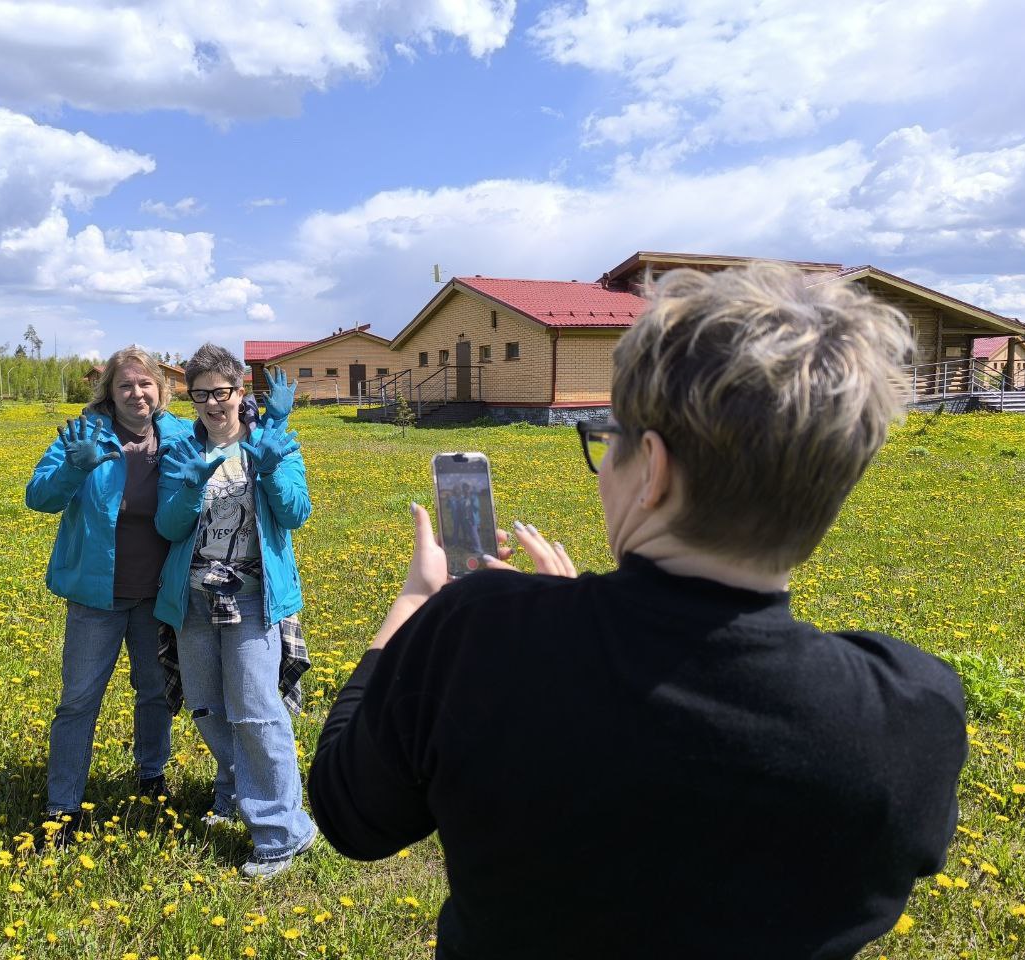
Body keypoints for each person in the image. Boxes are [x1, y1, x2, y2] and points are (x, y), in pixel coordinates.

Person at [308, 263, 968, 959]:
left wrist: (418, 604)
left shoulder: (476, 631)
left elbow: (351, 816)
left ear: (652, 468)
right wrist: (560, 613)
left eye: (608, 438)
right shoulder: (912, 713)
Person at [154, 346, 317, 878]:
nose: (211, 403)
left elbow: (295, 513)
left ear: (239, 391)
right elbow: (169, 527)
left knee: (254, 710)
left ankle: (282, 832)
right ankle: (234, 791)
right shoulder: (182, 449)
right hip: (194, 598)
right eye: (200, 394)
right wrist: (189, 486)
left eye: (220, 392)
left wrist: (269, 471)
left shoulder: (271, 442)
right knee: (207, 707)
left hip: (251, 597)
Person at [25, 346, 185, 844]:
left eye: (145, 384)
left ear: (160, 388)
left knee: (154, 691)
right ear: (109, 392)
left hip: (157, 595)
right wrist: (74, 469)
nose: (136, 393)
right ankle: (63, 806)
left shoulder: (180, 435)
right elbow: (39, 497)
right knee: (78, 700)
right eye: (125, 385)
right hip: (97, 597)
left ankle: (151, 774)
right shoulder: (84, 435)